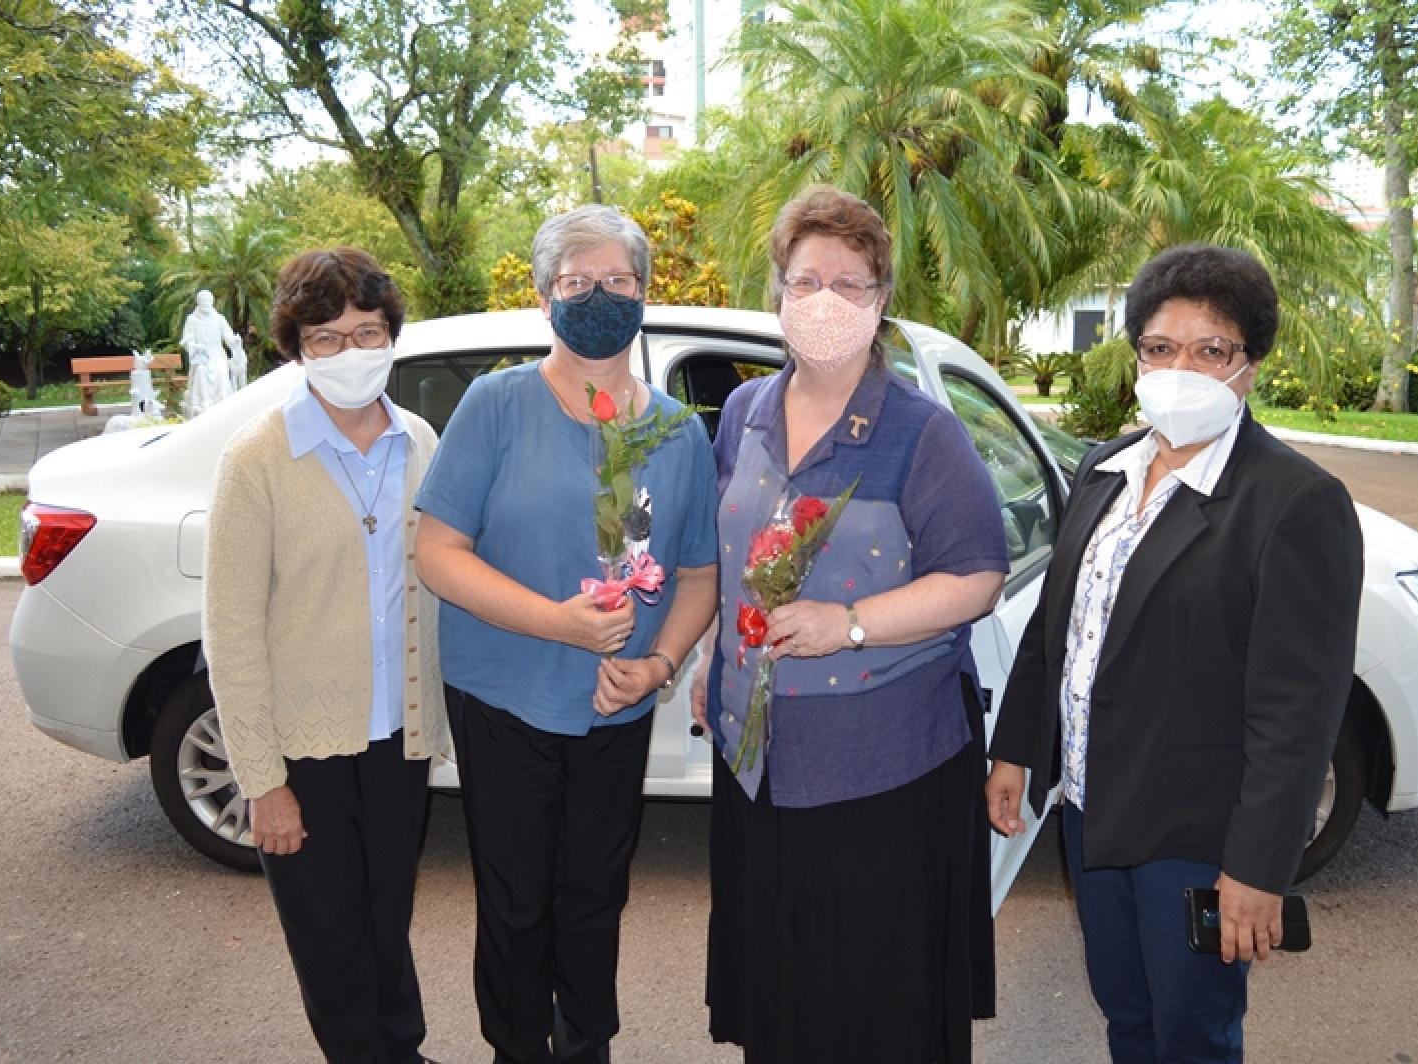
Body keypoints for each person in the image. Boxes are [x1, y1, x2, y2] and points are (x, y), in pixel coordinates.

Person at [985, 244, 1364, 1062]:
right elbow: (1057, 624)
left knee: (1192, 1033)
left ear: (1251, 364)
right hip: (1092, 808)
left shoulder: (1295, 503)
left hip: (1196, 832)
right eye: (1161, 348)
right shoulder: (1105, 468)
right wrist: (1016, 750)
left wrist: (1260, 869)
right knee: (1125, 1012)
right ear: (1137, 357)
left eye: (1210, 349)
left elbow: (1297, 714)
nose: (1180, 368)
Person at [697, 185, 1008, 1063]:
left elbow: (977, 576)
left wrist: (854, 623)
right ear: (777, 292)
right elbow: (738, 560)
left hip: (884, 775)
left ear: (881, 304)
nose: (826, 302)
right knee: (782, 999)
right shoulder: (745, 415)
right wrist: (718, 662)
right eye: (807, 281)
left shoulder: (922, 434)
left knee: (875, 1006)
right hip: (758, 764)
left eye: (851, 285)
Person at [413, 204, 719, 1064]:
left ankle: (587, 1043)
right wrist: (558, 622)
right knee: (514, 902)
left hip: (616, 710)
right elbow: (439, 551)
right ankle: (518, 1047)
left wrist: (659, 663)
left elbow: (698, 573)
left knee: (594, 895)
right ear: (546, 296)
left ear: (644, 294)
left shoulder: (676, 431)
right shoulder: (496, 405)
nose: (597, 297)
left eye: (617, 282)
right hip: (505, 697)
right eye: (577, 282)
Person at [203, 247, 449, 1061]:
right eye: (327, 337)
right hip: (302, 750)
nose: (351, 352)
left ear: (391, 336)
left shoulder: (418, 440)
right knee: (330, 936)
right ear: (296, 346)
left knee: (388, 919)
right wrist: (262, 784)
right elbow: (231, 635)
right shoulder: (256, 461)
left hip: (397, 739)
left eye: (367, 332)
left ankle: (400, 1051)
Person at [181, 289, 239, 416]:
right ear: (198, 302)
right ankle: (203, 402)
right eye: (203, 301)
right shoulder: (192, 319)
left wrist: (235, 341)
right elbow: (187, 340)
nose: (206, 303)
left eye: (208, 301)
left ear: (212, 302)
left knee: (222, 371)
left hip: (217, 354)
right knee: (201, 371)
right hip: (201, 356)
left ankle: (222, 401)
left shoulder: (219, 319)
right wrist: (193, 346)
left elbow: (228, 337)